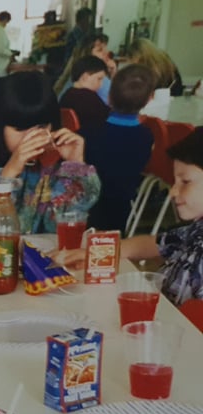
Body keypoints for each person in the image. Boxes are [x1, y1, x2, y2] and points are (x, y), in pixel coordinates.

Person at [65, 127, 203, 306]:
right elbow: (153, 244)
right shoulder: (195, 230)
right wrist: (98, 252)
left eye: (185, 182)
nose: (173, 192)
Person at [0, 71, 100, 236]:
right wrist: (6, 177)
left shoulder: (55, 172)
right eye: (20, 128)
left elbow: (63, 226)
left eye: (42, 126)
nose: (31, 137)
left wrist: (76, 167)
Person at [80, 64, 156, 232]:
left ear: (109, 97)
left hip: (86, 207)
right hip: (120, 207)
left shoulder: (88, 132)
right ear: (150, 99)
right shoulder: (146, 136)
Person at [54, 33, 114, 104]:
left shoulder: (74, 77)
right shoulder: (97, 78)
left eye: (106, 48)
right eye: (100, 50)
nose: (106, 53)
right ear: (87, 54)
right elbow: (118, 104)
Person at [58, 54, 110, 130]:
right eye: (99, 79)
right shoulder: (88, 98)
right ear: (85, 77)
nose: (101, 84)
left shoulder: (66, 95)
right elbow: (109, 117)